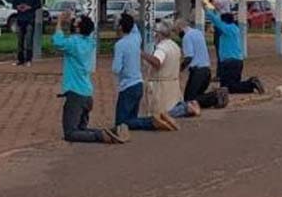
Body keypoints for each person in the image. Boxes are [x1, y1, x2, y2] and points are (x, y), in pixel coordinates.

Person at [53, 11, 126, 144]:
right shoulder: (89, 42)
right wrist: (77, 22)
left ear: (78, 28)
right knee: (82, 128)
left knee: (70, 133)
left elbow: (58, 42)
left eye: (75, 22)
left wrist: (59, 22)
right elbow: (80, 33)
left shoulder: (73, 43)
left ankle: (100, 136)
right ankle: (110, 131)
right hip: (87, 93)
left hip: (75, 93)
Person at [112, 13, 178, 131]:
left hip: (127, 86)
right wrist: (128, 17)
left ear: (120, 27)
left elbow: (116, 68)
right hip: (138, 83)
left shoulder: (120, 44)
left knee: (120, 123)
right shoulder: (136, 38)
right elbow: (134, 26)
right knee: (131, 119)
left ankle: (152, 122)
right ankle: (157, 120)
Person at [141, 20, 201, 120]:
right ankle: (185, 107)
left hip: (161, 85)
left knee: (160, 114)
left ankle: (186, 108)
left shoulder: (162, 48)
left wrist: (142, 54)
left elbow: (157, 62)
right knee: (170, 106)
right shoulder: (174, 46)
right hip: (172, 82)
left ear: (159, 34)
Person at [205, 7, 265, 94]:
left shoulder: (227, 29)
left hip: (229, 62)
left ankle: (251, 83)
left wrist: (206, 9)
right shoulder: (235, 29)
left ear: (224, 22)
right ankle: (250, 85)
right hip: (237, 61)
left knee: (228, 87)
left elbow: (216, 21)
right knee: (229, 86)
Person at [180, 19, 229, 109]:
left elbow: (189, 57)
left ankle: (215, 96)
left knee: (189, 100)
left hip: (198, 72)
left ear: (180, 29)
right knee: (195, 96)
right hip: (206, 70)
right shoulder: (198, 32)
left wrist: (180, 69)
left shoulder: (186, 37)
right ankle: (214, 98)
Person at [12, 0, 42, 67]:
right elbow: (14, 4)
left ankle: (29, 59)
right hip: (20, 19)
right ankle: (20, 60)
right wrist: (18, 6)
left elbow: (38, 5)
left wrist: (30, 7)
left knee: (29, 41)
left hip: (30, 19)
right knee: (20, 41)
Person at [212, 0, 234, 80]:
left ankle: (220, 74)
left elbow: (215, 4)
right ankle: (222, 73)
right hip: (226, 24)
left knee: (219, 49)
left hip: (221, 25)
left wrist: (210, 0)